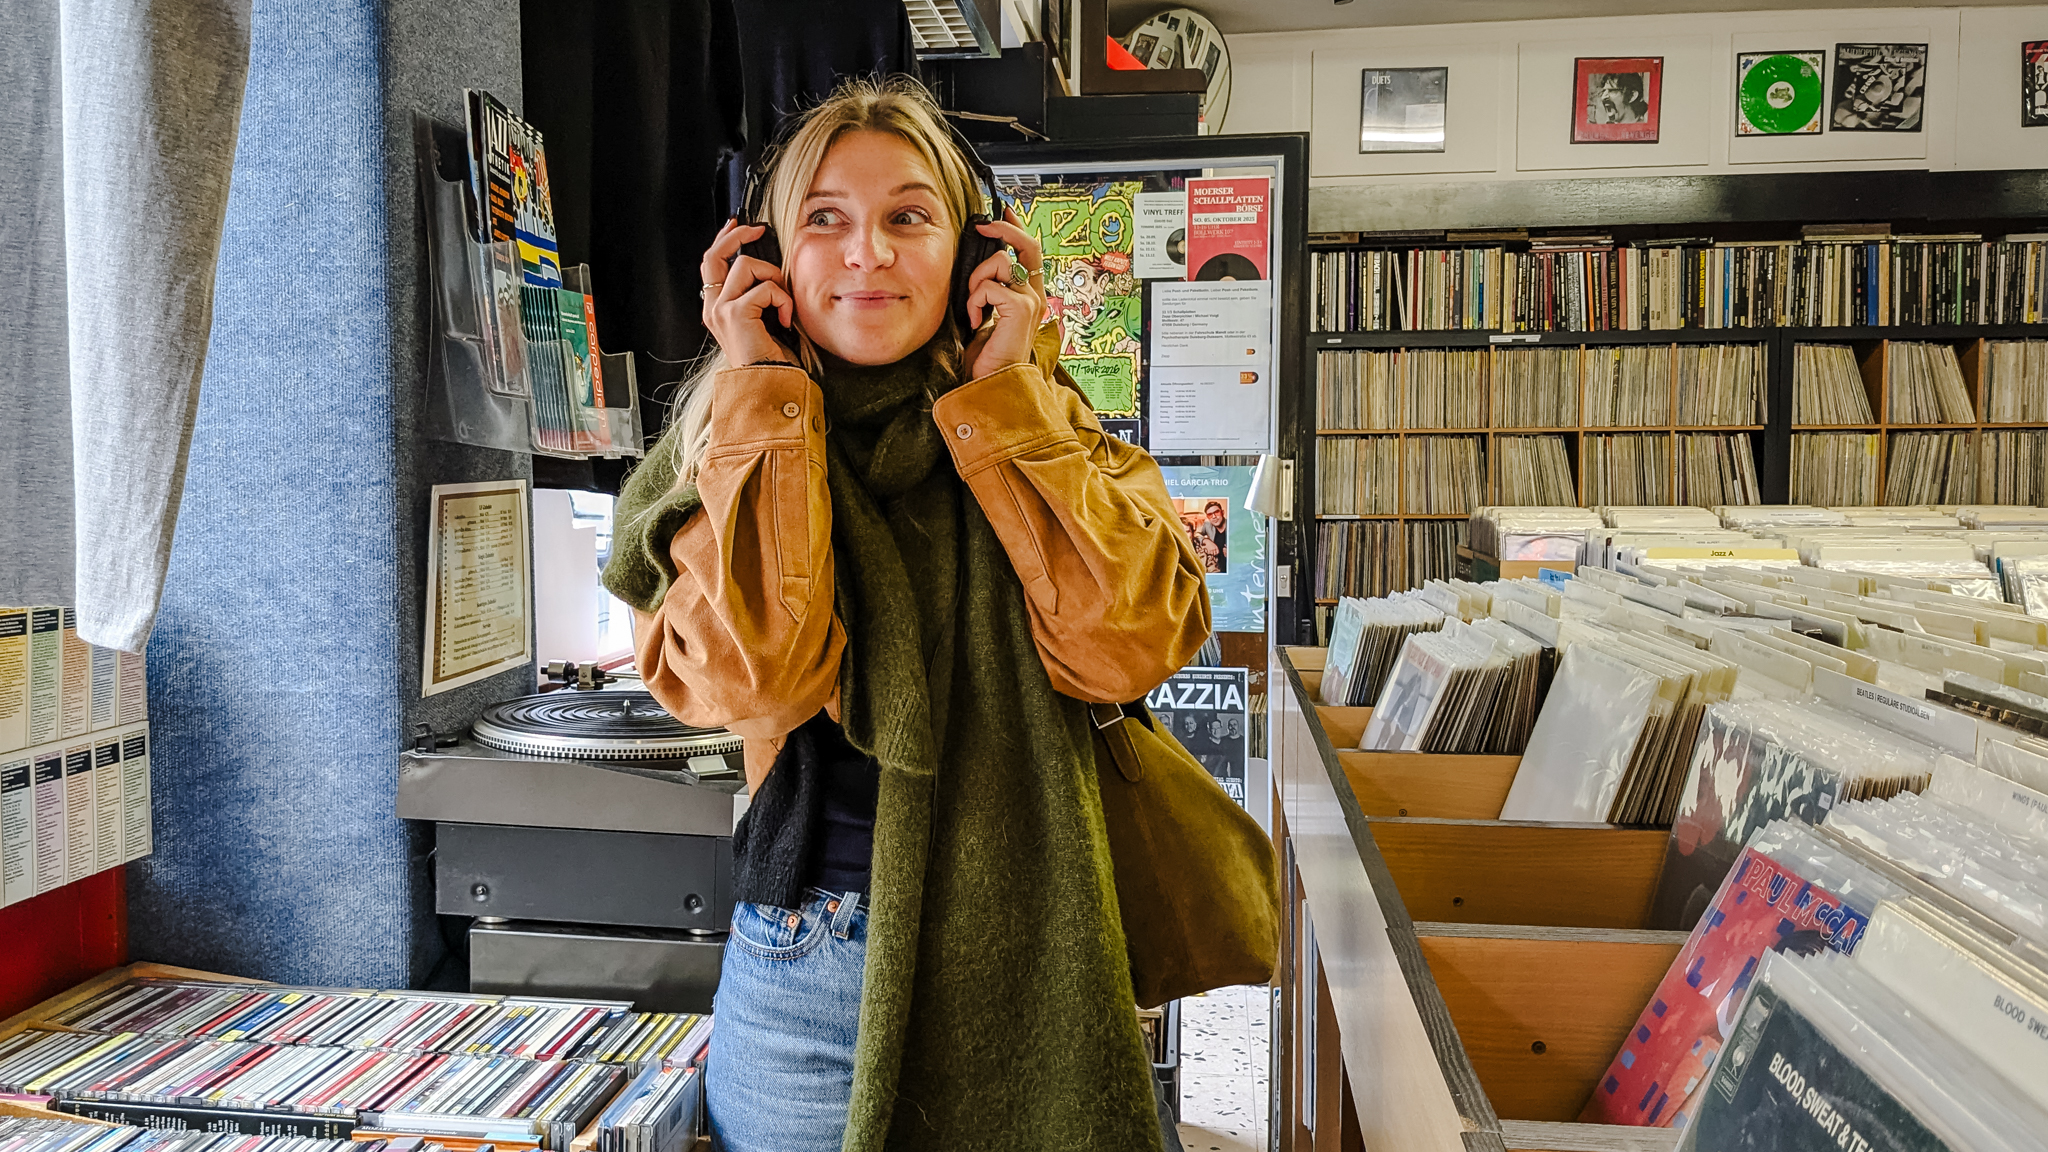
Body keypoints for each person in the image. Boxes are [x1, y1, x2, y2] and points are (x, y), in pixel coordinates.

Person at [602, 76, 1210, 1152]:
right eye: (823, 220)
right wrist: (764, 404)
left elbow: (1122, 649)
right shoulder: (722, 441)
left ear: (980, 257)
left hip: (1034, 953)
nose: (866, 253)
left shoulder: (1047, 421)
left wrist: (1008, 404)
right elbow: (757, 681)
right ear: (763, 260)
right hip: (808, 975)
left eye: (908, 218)